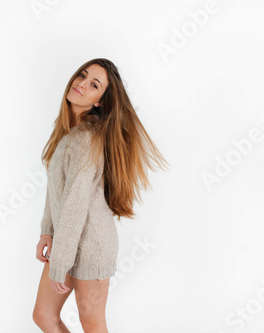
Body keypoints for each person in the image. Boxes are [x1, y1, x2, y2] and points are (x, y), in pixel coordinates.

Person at [32, 58, 170, 332]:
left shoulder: (85, 140)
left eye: (93, 85)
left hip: (92, 246)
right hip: (67, 241)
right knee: (44, 316)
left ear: (99, 101)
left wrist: (60, 262)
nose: (81, 84)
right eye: (82, 76)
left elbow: (75, 204)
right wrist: (47, 230)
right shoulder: (69, 134)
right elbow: (56, 187)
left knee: (92, 323)